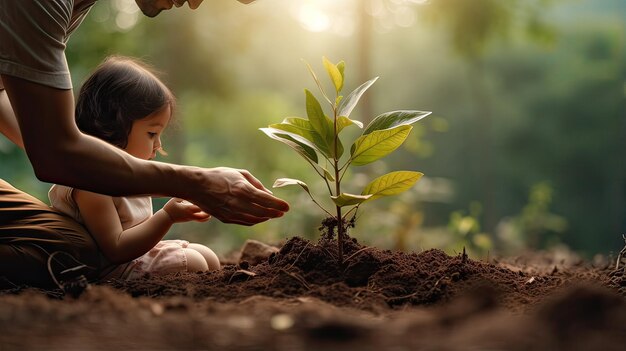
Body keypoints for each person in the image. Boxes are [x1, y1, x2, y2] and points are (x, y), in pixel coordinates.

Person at [0, 0, 288, 287]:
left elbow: (33, 123)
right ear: (113, 124)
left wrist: (76, 152)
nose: (197, 3)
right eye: (151, 134)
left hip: (114, 249)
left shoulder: (68, 9)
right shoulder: (39, 5)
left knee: (200, 257)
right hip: (111, 264)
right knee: (74, 252)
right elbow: (56, 157)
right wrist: (189, 188)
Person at [48, 56, 221, 281]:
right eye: (152, 134)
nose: (158, 145)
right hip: (109, 269)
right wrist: (167, 216)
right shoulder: (89, 181)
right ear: (112, 125)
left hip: (136, 256)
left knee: (208, 256)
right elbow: (116, 249)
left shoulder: (128, 173)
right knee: (196, 262)